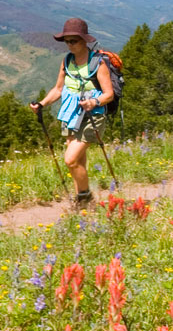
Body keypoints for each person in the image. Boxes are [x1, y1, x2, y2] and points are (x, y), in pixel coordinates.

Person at [30, 18, 113, 207]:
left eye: (73, 41)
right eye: (66, 41)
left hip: (93, 116)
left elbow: (109, 94)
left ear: (84, 40)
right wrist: (42, 104)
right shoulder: (67, 61)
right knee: (78, 161)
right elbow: (58, 89)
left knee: (70, 159)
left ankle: (86, 198)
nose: (69, 45)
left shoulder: (97, 64)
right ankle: (81, 201)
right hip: (70, 115)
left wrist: (93, 101)